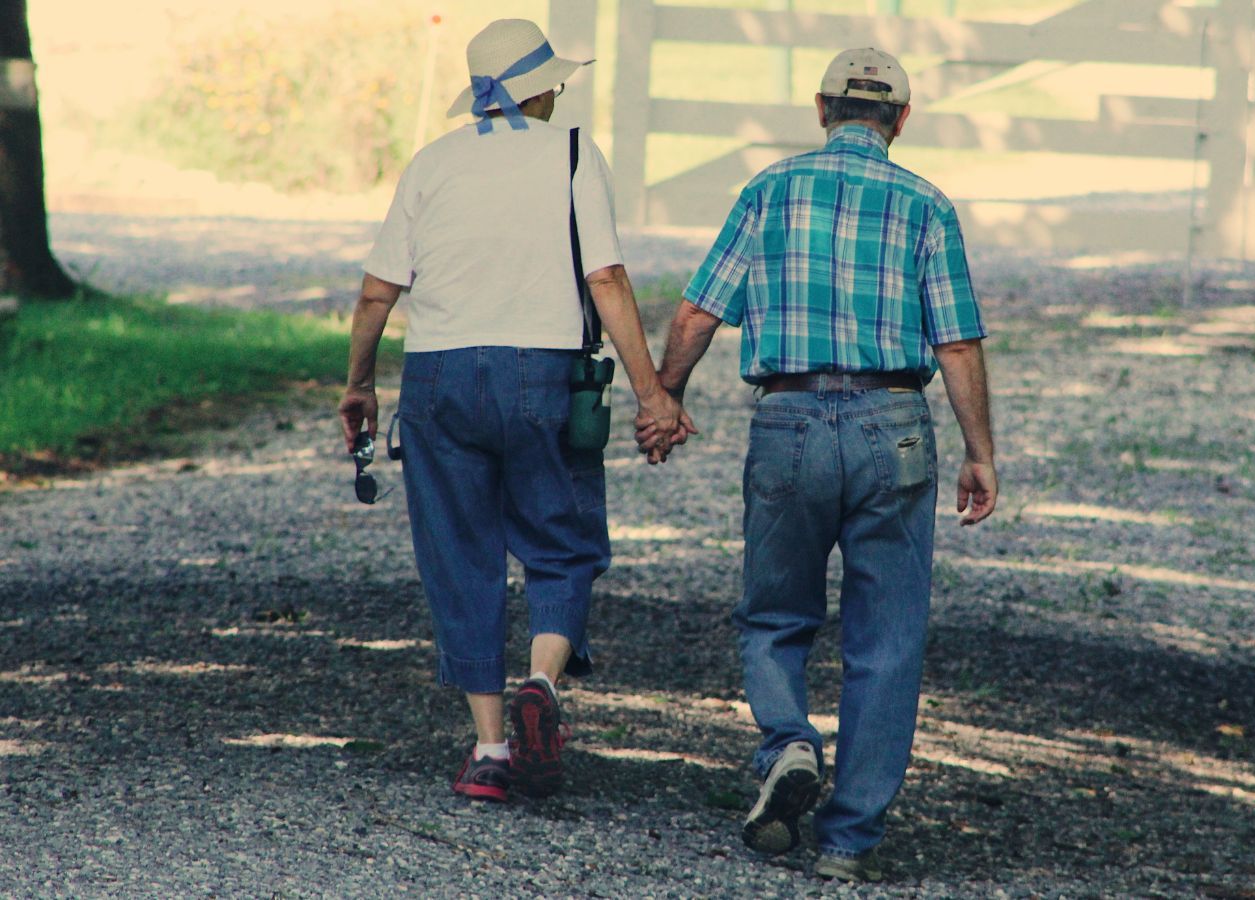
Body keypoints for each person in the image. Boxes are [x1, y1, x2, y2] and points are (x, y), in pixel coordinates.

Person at [639, 48, 998, 882]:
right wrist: (979, 451)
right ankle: (848, 840)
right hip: (894, 423)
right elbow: (956, 341)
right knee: (888, 636)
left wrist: (664, 400)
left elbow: (697, 313)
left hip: (790, 418)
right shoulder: (926, 205)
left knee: (774, 614)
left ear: (821, 109)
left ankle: (788, 742)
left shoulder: (768, 191)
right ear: (900, 120)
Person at [338, 18, 686, 804]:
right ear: (541, 88)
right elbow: (606, 279)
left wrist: (359, 383)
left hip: (439, 378)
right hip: (543, 371)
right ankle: (543, 681)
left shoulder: (430, 164)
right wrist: (652, 394)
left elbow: (375, 291)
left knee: (460, 557)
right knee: (561, 543)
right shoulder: (570, 153)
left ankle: (492, 749)